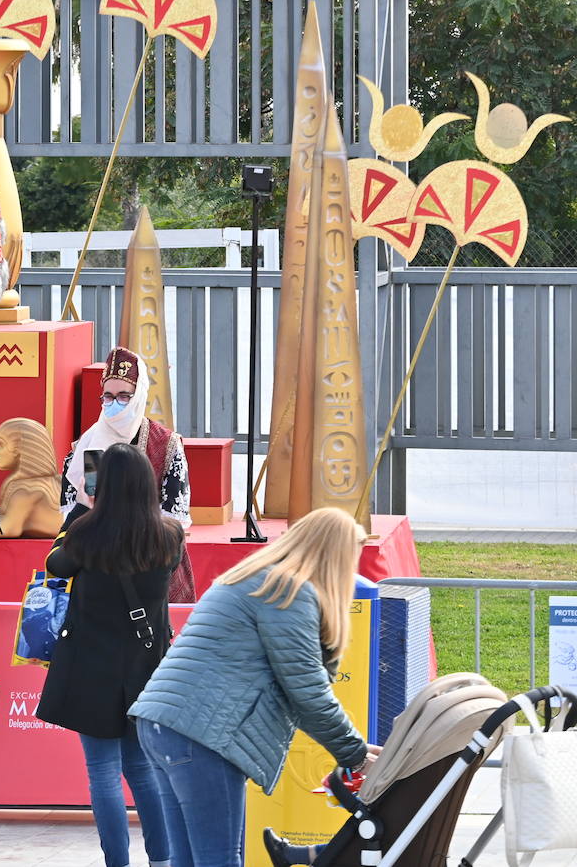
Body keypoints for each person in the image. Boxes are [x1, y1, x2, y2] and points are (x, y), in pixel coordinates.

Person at [129, 507, 381, 867]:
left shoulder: (253, 578)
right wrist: (355, 755)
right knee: (219, 859)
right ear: (334, 556)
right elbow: (307, 692)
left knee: (186, 858)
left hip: (162, 724)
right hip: (201, 737)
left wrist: (354, 748)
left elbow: (298, 688)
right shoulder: (288, 591)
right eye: (351, 558)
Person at [36, 443, 183, 867]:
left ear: (105, 485)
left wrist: (82, 509)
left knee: (102, 772)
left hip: (90, 671)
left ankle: (116, 862)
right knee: (142, 771)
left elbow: (54, 565)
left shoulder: (85, 533)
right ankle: (162, 858)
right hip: (144, 668)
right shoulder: (169, 535)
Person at [62, 345, 196, 603]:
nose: (115, 405)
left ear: (139, 396)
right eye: (108, 397)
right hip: (98, 563)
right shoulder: (89, 445)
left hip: (153, 560)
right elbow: (79, 510)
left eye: (124, 396)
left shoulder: (166, 444)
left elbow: (174, 518)